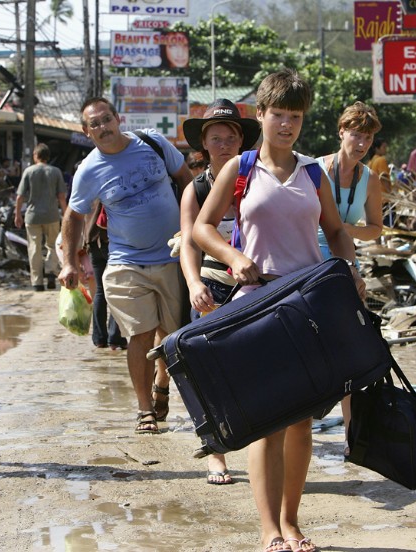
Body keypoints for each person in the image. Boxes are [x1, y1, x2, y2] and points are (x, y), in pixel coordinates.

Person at [192, 69, 366, 552]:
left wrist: (349, 265)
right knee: (267, 423)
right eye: (278, 115)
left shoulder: (314, 173)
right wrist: (233, 257)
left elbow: (335, 231)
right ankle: (269, 530)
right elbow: (203, 228)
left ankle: (291, 522)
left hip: (307, 306)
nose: (287, 125)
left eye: (296, 117)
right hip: (257, 306)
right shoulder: (241, 167)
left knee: (302, 422)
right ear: (262, 115)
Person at [58, 97, 193, 435]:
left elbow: (185, 180)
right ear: (86, 132)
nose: (103, 128)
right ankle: (144, 410)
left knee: (172, 335)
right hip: (126, 261)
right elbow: (73, 215)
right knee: (140, 333)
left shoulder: (152, 142)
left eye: (107, 119)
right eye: (95, 124)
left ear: (118, 118)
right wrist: (68, 261)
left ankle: (162, 382)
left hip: (173, 256)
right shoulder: (89, 170)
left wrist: (192, 232)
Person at [180, 97, 262, 486]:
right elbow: (190, 244)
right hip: (213, 284)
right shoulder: (196, 189)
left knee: (255, 370)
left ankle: (263, 447)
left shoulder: (258, 179)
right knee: (207, 373)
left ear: (242, 141)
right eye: (216, 138)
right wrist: (194, 283)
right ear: (204, 145)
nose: (224, 144)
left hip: (257, 283)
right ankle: (217, 453)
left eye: (231, 137)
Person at [315, 101, 385, 456]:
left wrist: (344, 229)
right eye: (355, 134)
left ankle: (351, 435)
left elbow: (375, 229)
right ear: (341, 132)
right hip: (308, 264)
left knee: (350, 353)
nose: (360, 144)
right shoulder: (314, 170)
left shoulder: (370, 179)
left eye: (367, 138)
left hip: (347, 265)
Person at [14, 143, 68, 291]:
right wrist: (65, 215)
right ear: (48, 157)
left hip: (32, 216)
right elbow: (61, 196)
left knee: (34, 248)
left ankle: (37, 282)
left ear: (35, 156)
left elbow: (20, 197)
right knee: (52, 245)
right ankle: (51, 273)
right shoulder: (56, 171)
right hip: (52, 215)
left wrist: (17, 214)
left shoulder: (29, 171)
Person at [83, 201, 127, 351]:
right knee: (117, 289)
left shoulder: (89, 189)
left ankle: (99, 338)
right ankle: (115, 337)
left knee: (101, 291)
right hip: (110, 242)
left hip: (92, 242)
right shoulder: (109, 187)